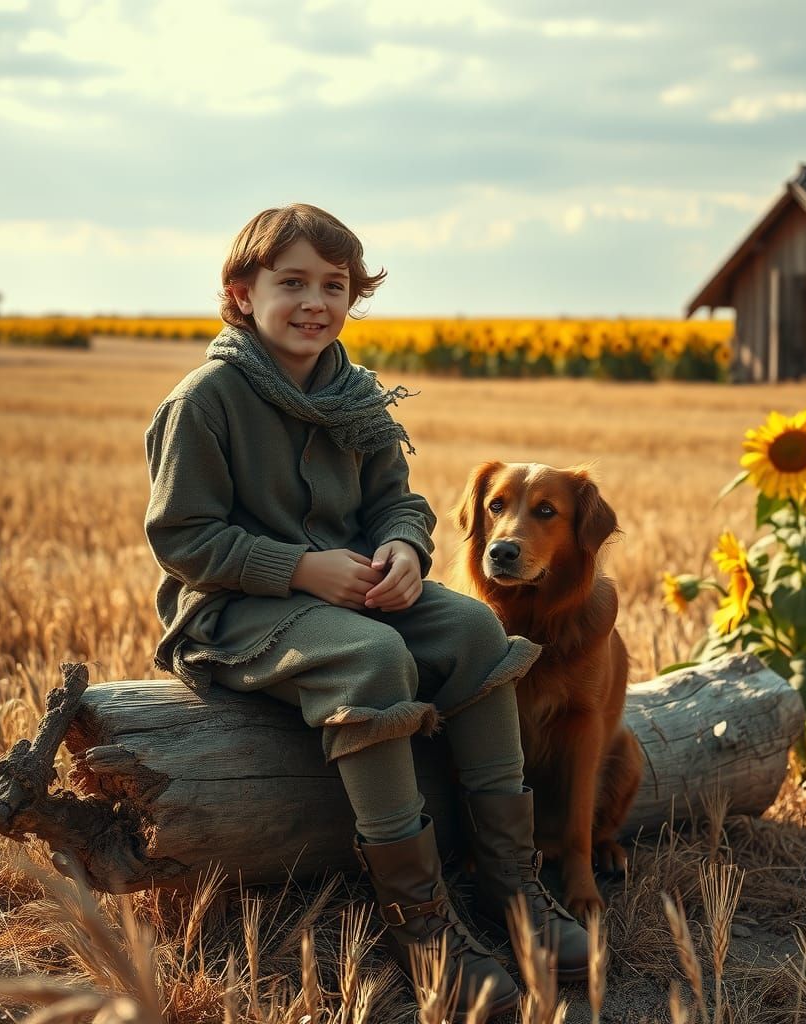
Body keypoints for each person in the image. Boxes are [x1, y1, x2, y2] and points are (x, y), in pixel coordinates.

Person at [143, 203, 588, 1019]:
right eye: (292, 283)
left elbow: (397, 502)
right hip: (234, 612)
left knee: (474, 627)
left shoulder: (356, 399)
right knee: (374, 658)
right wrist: (302, 567)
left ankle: (511, 884)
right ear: (242, 295)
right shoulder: (205, 401)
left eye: (334, 285)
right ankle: (420, 923)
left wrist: (406, 552)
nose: (315, 301)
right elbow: (183, 538)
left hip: (353, 591)